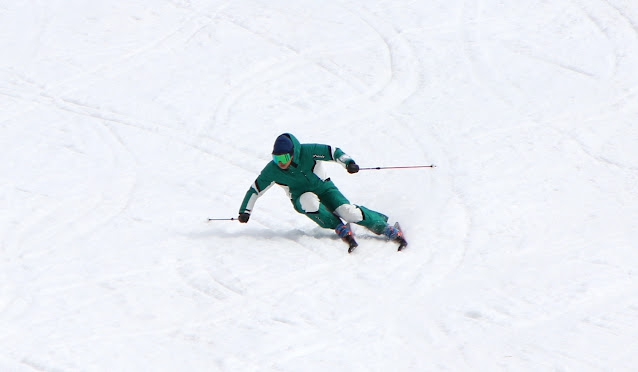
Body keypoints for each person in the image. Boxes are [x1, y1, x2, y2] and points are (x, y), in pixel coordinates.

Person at [238, 133, 407, 252]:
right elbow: (255, 190)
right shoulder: (272, 170)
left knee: (349, 213)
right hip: (300, 196)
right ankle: (337, 226)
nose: (280, 163)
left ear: (292, 154)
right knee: (309, 202)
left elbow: (334, 152)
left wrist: (349, 163)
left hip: (325, 188)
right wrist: (245, 212)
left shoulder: (308, 151)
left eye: (283, 159)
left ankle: (383, 226)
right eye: (276, 159)